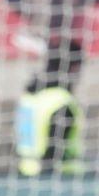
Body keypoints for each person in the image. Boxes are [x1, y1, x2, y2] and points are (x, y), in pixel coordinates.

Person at [16, 37, 84, 177]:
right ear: (72, 66)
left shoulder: (29, 96)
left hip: (24, 171)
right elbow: (54, 149)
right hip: (57, 178)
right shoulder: (60, 102)